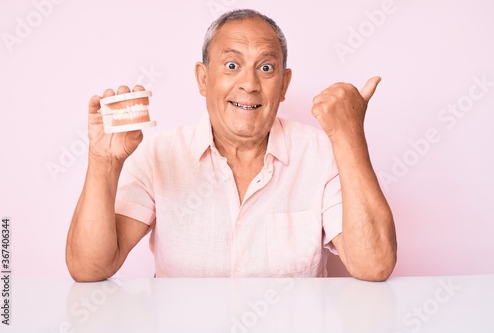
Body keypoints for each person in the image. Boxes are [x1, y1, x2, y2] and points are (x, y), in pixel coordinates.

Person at [66, 9, 397, 281]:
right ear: (203, 78)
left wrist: (349, 135)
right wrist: (103, 162)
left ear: (284, 84)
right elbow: (89, 268)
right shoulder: (158, 154)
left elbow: (374, 265)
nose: (250, 84)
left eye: (266, 68)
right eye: (232, 66)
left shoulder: (321, 154)